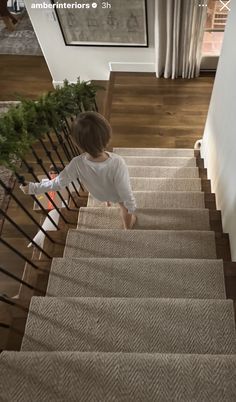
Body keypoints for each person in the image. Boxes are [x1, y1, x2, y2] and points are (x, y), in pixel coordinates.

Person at [20, 112, 137, 230]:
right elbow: (125, 192)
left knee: (103, 186)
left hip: (98, 194)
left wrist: (32, 188)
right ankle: (128, 225)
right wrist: (131, 207)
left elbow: (57, 183)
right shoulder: (117, 162)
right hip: (115, 195)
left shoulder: (76, 164)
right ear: (107, 135)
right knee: (124, 207)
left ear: (77, 143)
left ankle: (107, 201)